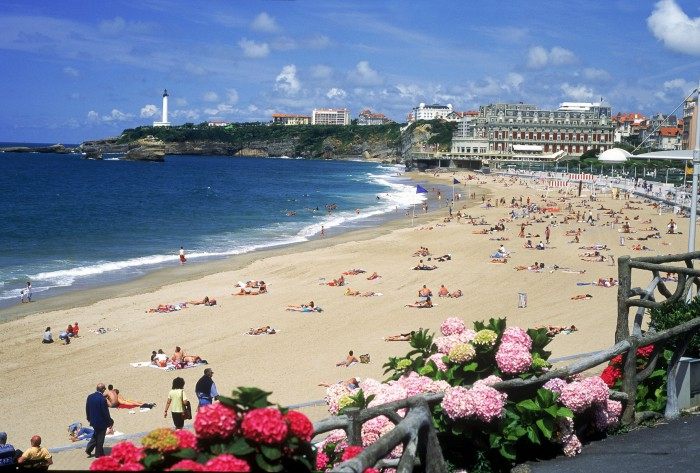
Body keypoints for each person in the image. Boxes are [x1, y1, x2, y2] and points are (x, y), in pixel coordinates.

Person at [85, 384, 113, 458]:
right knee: (100, 438)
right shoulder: (102, 399)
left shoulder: (90, 397)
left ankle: (89, 449)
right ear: (103, 390)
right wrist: (110, 422)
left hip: (93, 420)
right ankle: (98, 454)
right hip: (101, 422)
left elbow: (87, 408)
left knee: (96, 435)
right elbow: (105, 412)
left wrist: (88, 418)